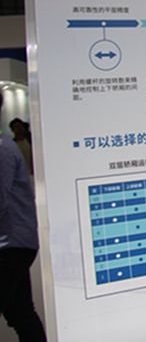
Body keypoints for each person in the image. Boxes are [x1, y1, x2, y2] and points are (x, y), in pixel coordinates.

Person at [0, 95, 47, 341]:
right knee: (21, 313)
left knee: (22, 314)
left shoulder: (2, 149)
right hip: (15, 242)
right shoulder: (7, 146)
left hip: (10, 245)